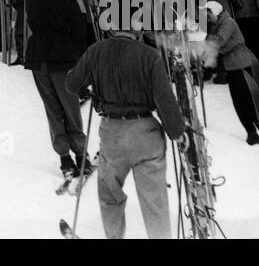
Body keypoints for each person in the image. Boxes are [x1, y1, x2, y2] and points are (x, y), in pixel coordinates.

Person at [65, 28, 186, 239]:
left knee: (109, 193)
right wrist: (177, 132)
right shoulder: (150, 55)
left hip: (113, 134)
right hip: (145, 133)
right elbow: (164, 99)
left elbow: (72, 85)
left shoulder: (96, 51)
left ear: (112, 28)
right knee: (154, 199)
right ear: (137, 29)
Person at [25, 0, 91, 183]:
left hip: (38, 56)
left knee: (52, 107)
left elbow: (32, 25)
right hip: (63, 56)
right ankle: (81, 153)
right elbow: (79, 28)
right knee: (70, 106)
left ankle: (64, 156)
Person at [204, 0, 259, 147]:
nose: (207, 17)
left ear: (215, 12)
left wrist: (203, 38)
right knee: (239, 102)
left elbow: (219, 41)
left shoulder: (227, 22)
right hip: (232, 66)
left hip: (243, 64)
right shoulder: (216, 24)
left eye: (208, 14)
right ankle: (252, 133)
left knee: (249, 101)